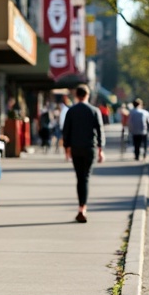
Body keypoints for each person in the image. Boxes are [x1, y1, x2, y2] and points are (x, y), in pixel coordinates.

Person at [63, 84, 105, 223]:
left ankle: (81, 208)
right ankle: (83, 208)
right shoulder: (94, 111)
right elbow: (99, 131)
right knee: (85, 178)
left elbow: (66, 131)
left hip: (76, 148)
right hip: (89, 148)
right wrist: (100, 150)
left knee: (79, 177)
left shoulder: (71, 111)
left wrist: (67, 149)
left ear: (76, 95)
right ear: (87, 95)